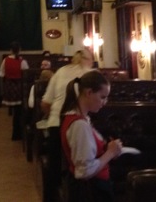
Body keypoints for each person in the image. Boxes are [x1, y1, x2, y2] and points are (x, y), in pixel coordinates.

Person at [40, 49, 95, 202]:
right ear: (88, 60)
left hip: (56, 123)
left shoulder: (60, 72)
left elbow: (45, 103)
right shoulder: (92, 75)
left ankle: (50, 198)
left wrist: (56, 116)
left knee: (54, 166)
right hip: (80, 124)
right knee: (78, 164)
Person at [60, 70, 122, 201]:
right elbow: (84, 171)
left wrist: (108, 149)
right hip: (91, 190)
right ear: (89, 93)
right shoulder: (79, 125)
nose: (105, 102)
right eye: (102, 97)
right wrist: (110, 153)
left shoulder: (81, 119)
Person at [0, 41, 29, 140]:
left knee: (16, 112)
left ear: (10, 50)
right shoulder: (22, 61)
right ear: (20, 50)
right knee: (19, 112)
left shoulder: (5, 60)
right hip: (19, 88)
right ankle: (18, 133)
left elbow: (1, 74)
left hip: (10, 87)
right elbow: (26, 75)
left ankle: (16, 134)